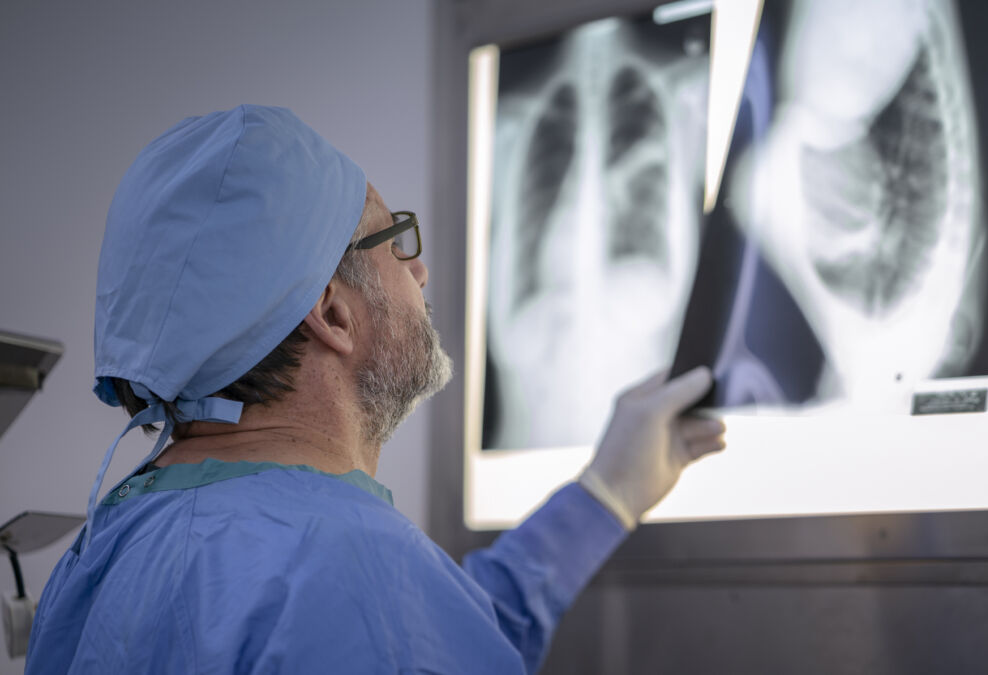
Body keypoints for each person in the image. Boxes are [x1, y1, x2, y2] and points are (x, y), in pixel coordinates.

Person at [24, 105, 725, 674]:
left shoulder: (106, 551)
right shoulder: (353, 570)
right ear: (332, 313)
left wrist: (605, 496)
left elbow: (437, 634)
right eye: (394, 241)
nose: (419, 273)